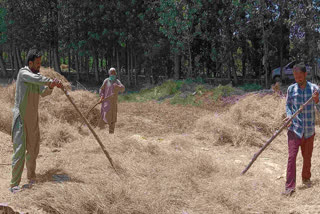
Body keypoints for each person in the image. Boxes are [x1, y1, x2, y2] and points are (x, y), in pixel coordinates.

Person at [10, 49, 63, 193]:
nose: (39, 66)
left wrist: (51, 87)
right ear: (30, 63)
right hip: (21, 118)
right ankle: (14, 184)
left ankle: (31, 178)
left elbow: (43, 92)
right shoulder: (23, 73)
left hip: (33, 119)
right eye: (37, 63)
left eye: (40, 63)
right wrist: (51, 80)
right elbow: (37, 79)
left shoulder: (37, 76)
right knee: (20, 151)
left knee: (33, 150)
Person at [282, 63, 320, 196]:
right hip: (294, 129)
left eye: (299, 76)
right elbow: (288, 105)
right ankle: (289, 187)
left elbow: (319, 108)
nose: (297, 79)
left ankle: (306, 178)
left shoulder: (314, 89)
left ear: (305, 75)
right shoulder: (291, 89)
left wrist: (317, 101)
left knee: (307, 157)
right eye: (295, 76)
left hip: (309, 130)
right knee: (292, 158)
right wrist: (288, 116)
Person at [98, 67, 125, 134]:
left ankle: (111, 134)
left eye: (114, 72)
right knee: (104, 118)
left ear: (115, 73)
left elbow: (123, 89)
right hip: (106, 103)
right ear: (109, 73)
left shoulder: (117, 81)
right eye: (111, 73)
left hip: (114, 104)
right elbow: (101, 89)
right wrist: (101, 96)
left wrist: (118, 87)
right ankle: (100, 133)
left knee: (113, 120)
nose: (113, 74)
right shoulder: (106, 81)